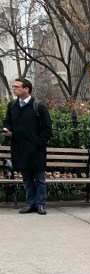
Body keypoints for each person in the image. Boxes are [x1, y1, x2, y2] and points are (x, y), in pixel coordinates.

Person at [2, 78, 52, 215]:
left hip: (36, 151)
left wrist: (38, 143)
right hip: (20, 149)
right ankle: (30, 204)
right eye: (13, 86)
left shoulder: (38, 106)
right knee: (26, 178)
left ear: (26, 89)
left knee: (39, 179)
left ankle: (40, 204)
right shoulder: (12, 105)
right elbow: (7, 122)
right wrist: (7, 130)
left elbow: (47, 129)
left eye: (16, 86)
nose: (13, 88)